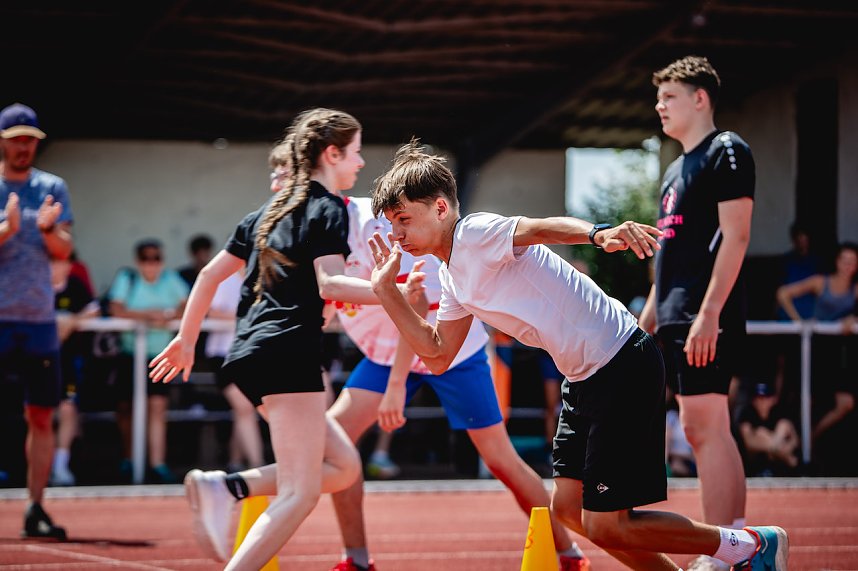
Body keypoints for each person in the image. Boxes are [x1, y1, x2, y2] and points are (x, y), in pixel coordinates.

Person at [365, 139, 788, 570]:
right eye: (391, 224)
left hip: (620, 362)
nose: (396, 235)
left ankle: (750, 545)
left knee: (607, 524)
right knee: (566, 511)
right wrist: (386, 291)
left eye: (403, 220)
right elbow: (436, 355)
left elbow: (539, 227)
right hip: (584, 377)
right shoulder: (453, 277)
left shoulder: (473, 233)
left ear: (439, 208)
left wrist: (598, 233)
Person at [186, 142, 591, 571]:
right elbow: (329, 294)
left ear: (311, 175)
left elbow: (414, 308)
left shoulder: (363, 223)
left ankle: (566, 551)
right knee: (334, 450)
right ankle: (355, 557)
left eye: (285, 178)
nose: (277, 187)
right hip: (380, 356)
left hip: (448, 347)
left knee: (500, 461)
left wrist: (397, 384)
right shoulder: (304, 230)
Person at [149, 108, 425, 570]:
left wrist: (187, 339)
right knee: (301, 493)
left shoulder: (266, 212)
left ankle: (226, 486)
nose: (360, 164)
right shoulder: (329, 208)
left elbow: (210, 274)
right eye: (355, 153)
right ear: (331, 153)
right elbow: (331, 286)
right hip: (287, 351)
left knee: (344, 467)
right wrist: (391, 291)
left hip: (249, 354)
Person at [637, 56, 754, 570]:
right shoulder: (671, 169)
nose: (659, 106)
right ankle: (727, 548)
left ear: (700, 98)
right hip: (675, 314)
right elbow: (668, 253)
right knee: (696, 424)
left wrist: (710, 313)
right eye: (659, 98)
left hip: (707, 313)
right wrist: (649, 314)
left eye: (670, 97)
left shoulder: (726, 151)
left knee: (708, 425)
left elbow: (737, 235)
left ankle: (729, 549)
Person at [0, 102, 73, 539]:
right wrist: (6, 231)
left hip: (39, 321)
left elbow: (64, 249)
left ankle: (36, 506)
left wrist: (48, 230)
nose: (25, 146)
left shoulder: (52, 187)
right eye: (17, 139)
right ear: (3, 142)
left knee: (42, 416)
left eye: (31, 139)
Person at [108, 239, 189, 483]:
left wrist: (167, 315)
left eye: (156, 258)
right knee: (127, 409)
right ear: (138, 261)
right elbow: (115, 308)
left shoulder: (170, 279)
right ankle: (130, 460)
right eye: (146, 258)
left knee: (157, 407)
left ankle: (157, 464)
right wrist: (149, 316)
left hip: (159, 355)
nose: (152, 264)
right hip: (130, 355)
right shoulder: (127, 278)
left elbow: (188, 305)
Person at [776, 242, 858, 469]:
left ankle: (811, 439)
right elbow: (783, 294)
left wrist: (853, 319)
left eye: (853, 262)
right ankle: (802, 451)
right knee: (806, 402)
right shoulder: (821, 282)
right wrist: (799, 322)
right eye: (845, 260)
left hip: (840, 355)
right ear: (837, 261)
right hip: (814, 351)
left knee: (845, 404)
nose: (848, 266)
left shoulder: (855, 290)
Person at [205, 268, 265, 472]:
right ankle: (258, 466)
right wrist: (248, 318)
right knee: (245, 407)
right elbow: (212, 311)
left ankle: (235, 462)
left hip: (252, 354)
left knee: (245, 410)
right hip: (224, 354)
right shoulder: (224, 279)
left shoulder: (263, 276)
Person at [51, 256, 100, 486]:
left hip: (67, 362)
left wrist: (71, 321)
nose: (56, 266)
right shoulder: (35, 284)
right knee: (37, 413)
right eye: (51, 261)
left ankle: (60, 466)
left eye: (60, 261)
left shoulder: (75, 285)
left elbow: (94, 309)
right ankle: (38, 464)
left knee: (68, 410)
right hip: (34, 360)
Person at [736, 382, 799, 476]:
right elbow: (748, 443)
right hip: (756, 463)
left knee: (783, 425)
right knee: (761, 433)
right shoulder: (747, 413)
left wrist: (776, 446)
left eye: (766, 398)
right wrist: (782, 454)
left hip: (780, 464)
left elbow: (795, 440)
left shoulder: (780, 411)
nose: (761, 402)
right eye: (758, 398)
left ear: (774, 399)